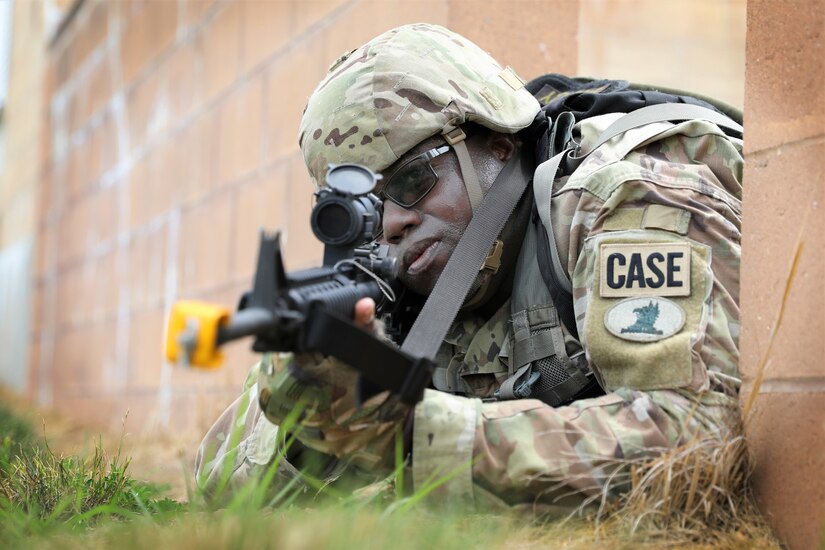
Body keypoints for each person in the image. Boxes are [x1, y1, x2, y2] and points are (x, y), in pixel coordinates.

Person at [195, 23, 742, 513]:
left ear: (498, 147)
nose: (392, 225)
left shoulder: (620, 196)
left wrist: (408, 435)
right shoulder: (393, 288)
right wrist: (309, 415)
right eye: (365, 208)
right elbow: (217, 493)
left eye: (411, 182)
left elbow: (691, 437)